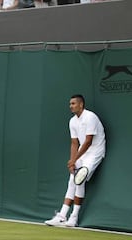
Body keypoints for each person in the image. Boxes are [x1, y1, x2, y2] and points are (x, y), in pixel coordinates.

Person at [44, 94, 106, 227]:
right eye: (70, 104)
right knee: (72, 180)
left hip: (95, 152)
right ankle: (62, 216)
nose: (70, 106)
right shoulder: (72, 121)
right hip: (82, 154)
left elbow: (88, 141)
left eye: (73, 103)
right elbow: (74, 143)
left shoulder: (90, 117)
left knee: (79, 179)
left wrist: (75, 159)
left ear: (81, 104)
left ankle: (74, 217)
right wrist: (72, 160)